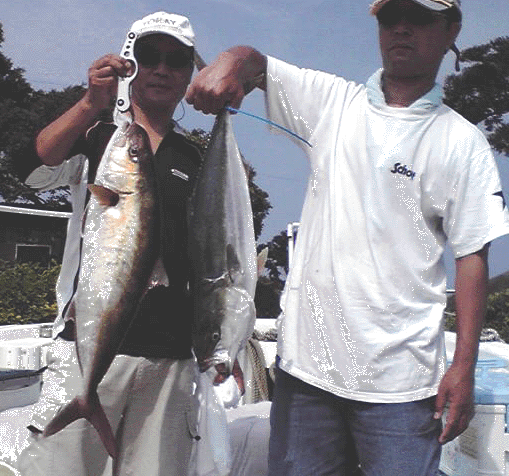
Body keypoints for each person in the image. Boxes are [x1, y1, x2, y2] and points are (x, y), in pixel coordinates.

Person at [186, 0, 509, 474]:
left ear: (450, 31)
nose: (402, 28)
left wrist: (463, 366)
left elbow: (472, 258)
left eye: (419, 17)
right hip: (306, 379)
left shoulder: (463, 144)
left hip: (402, 389)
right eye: (390, 17)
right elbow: (256, 64)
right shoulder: (333, 102)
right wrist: (231, 62)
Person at [16, 12, 203, 476]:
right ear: (129, 64)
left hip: (170, 359)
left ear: (188, 75)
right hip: (85, 346)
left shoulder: (196, 157)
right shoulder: (97, 136)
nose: (161, 69)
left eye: (176, 60)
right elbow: (30, 171)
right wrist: (89, 103)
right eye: (150, 56)